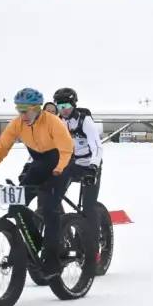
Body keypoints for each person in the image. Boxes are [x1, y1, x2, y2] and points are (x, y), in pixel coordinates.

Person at [0, 88, 75, 278]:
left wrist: (58, 172)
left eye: (26, 110)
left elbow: (67, 150)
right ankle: (35, 242)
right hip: (40, 164)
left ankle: (52, 257)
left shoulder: (53, 122)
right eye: (19, 110)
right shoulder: (18, 124)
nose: (22, 115)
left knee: (50, 208)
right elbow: (1, 149)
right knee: (17, 203)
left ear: (37, 108)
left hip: (63, 163)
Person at [53, 87, 103, 222]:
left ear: (74, 105)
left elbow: (97, 146)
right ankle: (64, 231)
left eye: (67, 105)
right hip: (71, 164)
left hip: (89, 165)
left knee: (88, 208)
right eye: (60, 106)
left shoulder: (84, 120)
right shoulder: (57, 122)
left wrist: (94, 167)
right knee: (53, 199)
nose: (64, 109)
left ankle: (93, 240)